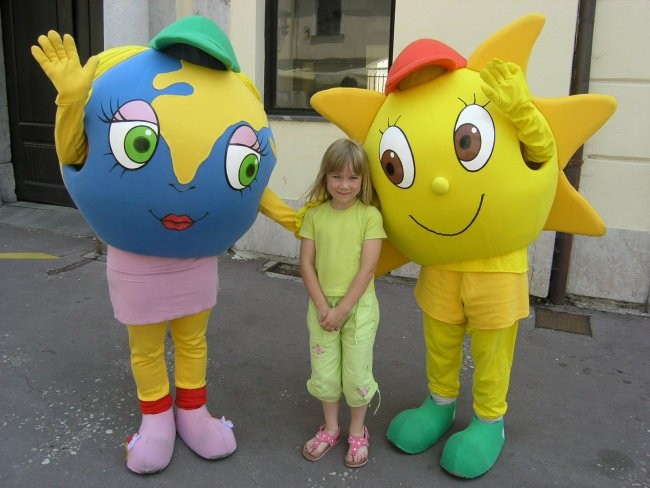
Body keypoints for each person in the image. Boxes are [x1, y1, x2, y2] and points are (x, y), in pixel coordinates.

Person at [297, 138, 386, 468]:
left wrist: (342, 309)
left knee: (355, 373)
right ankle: (331, 428)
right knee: (325, 374)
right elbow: (306, 263)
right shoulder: (315, 216)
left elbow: (368, 267)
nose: (344, 185)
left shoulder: (370, 217)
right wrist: (323, 307)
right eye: (337, 177)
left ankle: (357, 431)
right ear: (325, 177)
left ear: (363, 180)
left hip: (358, 309)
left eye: (353, 178)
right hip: (321, 308)